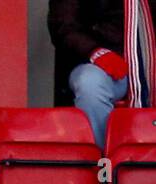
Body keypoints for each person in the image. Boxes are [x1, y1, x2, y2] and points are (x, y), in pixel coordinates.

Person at [49, 0, 156, 146]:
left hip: (150, 61)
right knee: (90, 85)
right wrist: (94, 51)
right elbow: (63, 24)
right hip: (101, 62)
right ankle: (103, 160)